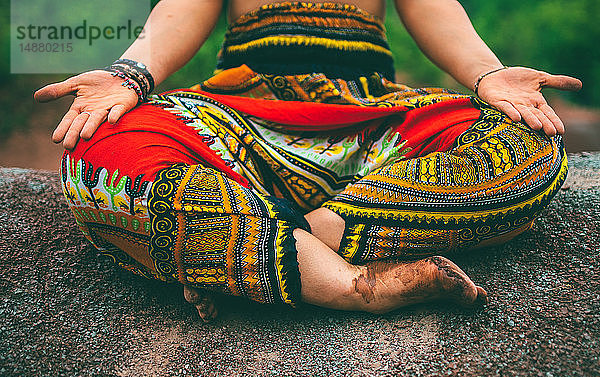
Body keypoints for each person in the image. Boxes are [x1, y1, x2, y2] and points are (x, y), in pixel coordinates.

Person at [35, 0, 582, 321]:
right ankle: (348, 283)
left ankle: (260, 252)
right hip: (237, 122)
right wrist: (130, 77)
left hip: (373, 123)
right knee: (100, 147)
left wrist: (488, 76)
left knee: (524, 141)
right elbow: (182, 7)